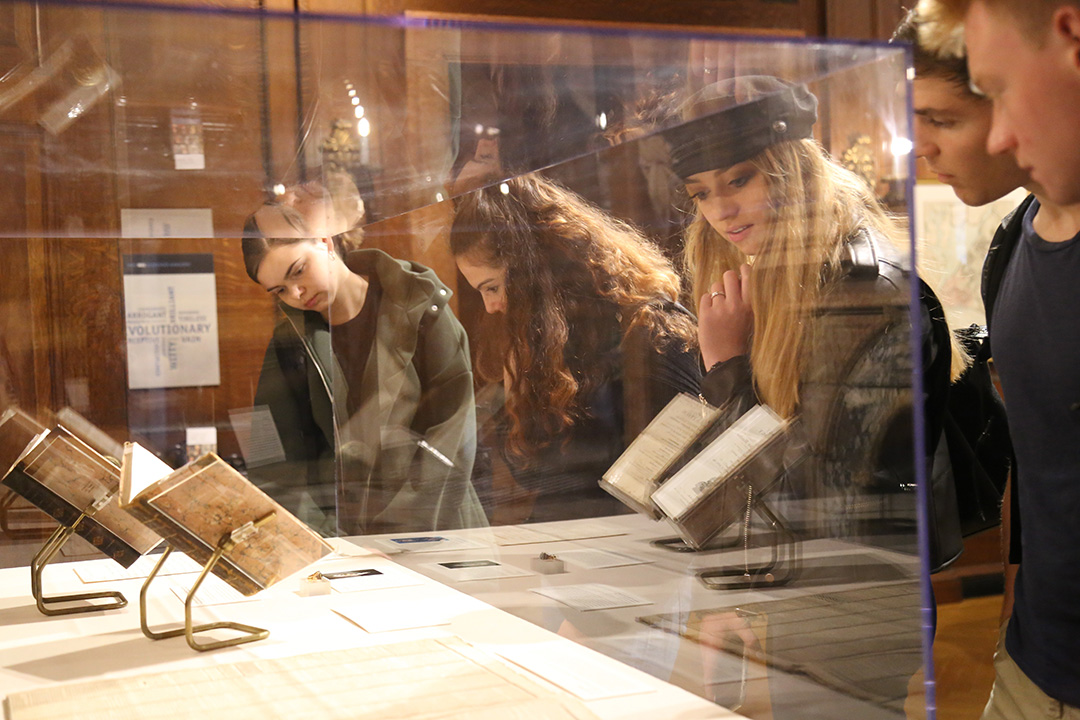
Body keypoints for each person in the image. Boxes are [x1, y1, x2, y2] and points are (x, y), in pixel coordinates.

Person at [663, 75, 972, 570]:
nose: (720, 210)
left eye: (739, 179)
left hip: (867, 571)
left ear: (792, 172)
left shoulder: (861, 291)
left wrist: (727, 366)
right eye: (700, 194)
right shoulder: (773, 274)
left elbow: (824, 487)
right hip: (812, 561)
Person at [915, 1, 1080, 717]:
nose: (922, 147)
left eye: (946, 118)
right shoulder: (1014, 238)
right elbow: (1039, 458)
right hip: (1032, 656)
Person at [449, 173, 700, 522]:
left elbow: (676, 477)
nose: (490, 306)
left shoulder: (649, 331)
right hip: (574, 544)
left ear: (532, 271)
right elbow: (537, 477)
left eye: (491, 287)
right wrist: (516, 395)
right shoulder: (550, 345)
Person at [242, 179, 486, 536]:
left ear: (325, 242)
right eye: (279, 290)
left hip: (439, 527)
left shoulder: (421, 305)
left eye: (298, 270)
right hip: (349, 543)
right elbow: (275, 461)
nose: (296, 292)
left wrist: (402, 529)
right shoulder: (289, 343)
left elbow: (453, 433)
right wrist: (322, 539)